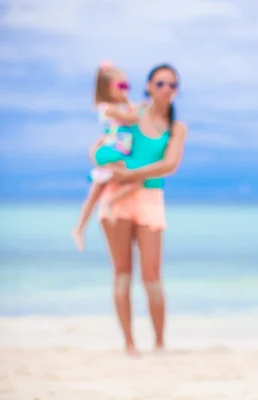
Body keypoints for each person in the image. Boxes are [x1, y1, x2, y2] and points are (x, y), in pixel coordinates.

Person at [90, 63, 187, 356]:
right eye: (160, 84)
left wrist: (129, 174)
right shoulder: (130, 114)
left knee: (152, 278)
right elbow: (97, 150)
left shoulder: (176, 127)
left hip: (149, 200)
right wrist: (109, 167)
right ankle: (129, 344)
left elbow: (170, 165)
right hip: (117, 198)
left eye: (172, 85)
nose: (166, 89)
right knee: (121, 273)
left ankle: (159, 343)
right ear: (147, 86)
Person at [71, 61, 141, 252]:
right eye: (121, 86)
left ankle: (79, 228)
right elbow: (133, 118)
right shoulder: (107, 108)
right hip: (113, 151)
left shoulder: (114, 107)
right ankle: (108, 203)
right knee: (137, 180)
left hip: (114, 150)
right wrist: (129, 102)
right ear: (107, 88)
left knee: (93, 193)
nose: (125, 90)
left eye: (127, 86)